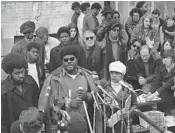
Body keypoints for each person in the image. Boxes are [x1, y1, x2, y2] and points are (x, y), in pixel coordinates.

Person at [38, 46, 102, 133]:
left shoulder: (86, 76)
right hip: (62, 125)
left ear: (77, 59)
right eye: (66, 60)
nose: (69, 62)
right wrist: (68, 103)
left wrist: (86, 96)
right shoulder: (54, 77)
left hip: (84, 124)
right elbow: (47, 104)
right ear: (62, 61)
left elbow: (96, 101)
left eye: (72, 59)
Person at [1, 53, 40, 133]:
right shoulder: (3, 90)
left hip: (33, 128)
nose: (21, 75)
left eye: (22, 72)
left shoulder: (31, 82)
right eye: (17, 73)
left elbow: (38, 103)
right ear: (9, 73)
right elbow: (2, 120)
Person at [103, 61, 137, 133]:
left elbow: (135, 104)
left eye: (117, 73)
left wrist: (128, 113)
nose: (114, 75)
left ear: (122, 75)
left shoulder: (128, 87)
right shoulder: (104, 88)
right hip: (110, 124)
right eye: (112, 73)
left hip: (125, 123)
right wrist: (105, 118)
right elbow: (100, 107)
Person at [146, 49, 175, 115]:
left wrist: (154, 94)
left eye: (167, 58)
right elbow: (156, 81)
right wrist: (150, 92)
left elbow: (168, 84)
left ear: (173, 60)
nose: (165, 60)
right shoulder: (162, 67)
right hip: (161, 94)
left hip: (171, 95)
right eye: (164, 58)